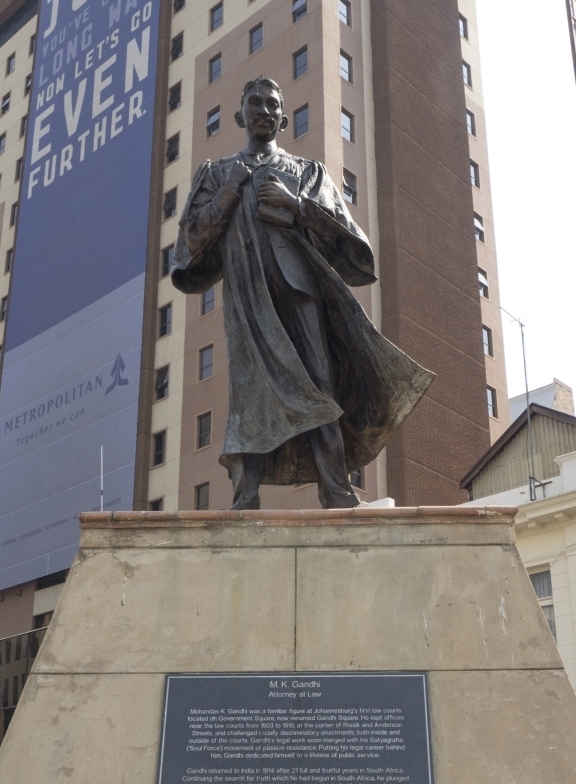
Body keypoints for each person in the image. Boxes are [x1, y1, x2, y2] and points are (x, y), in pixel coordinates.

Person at [171, 77, 433, 509]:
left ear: (283, 118)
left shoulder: (307, 173)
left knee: (319, 387)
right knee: (249, 392)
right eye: (254, 102)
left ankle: (336, 489)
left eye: (273, 105)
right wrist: (228, 193)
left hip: (300, 295)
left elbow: (351, 242)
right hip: (247, 301)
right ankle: (245, 496)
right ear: (240, 115)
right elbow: (190, 248)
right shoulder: (217, 174)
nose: (264, 110)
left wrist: (298, 206)